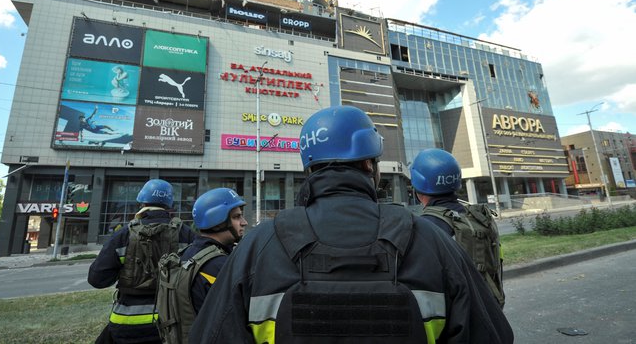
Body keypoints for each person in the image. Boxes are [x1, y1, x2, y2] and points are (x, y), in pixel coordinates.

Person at [189, 105, 513, 343]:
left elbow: (210, 336)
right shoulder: (429, 239)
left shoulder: (257, 246)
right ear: (370, 163)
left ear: (309, 166)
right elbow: (492, 335)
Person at [88, 179, 196, 344]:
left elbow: (97, 279)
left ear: (142, 202)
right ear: (169, 205)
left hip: (126, 324)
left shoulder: (124, 235)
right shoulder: (186, 234)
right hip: (171, 322)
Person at [411, 148, 506, 307]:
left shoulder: (424, 227)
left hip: (458, 320)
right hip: (491, 310)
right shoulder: (479, 218)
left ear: (417, 187)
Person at [155, 187, 247, 343]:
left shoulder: (187, 254)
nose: (244, 223)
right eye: (237, 217)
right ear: (217, 221)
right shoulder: (219, 265)